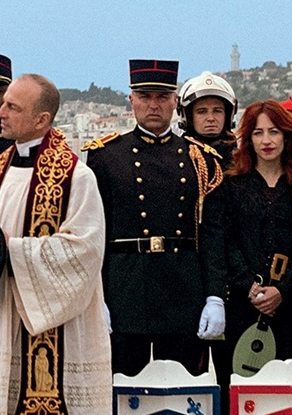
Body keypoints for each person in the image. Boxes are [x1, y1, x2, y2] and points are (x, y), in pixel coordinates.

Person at [0, 74, 112, 413]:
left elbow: (85, 250)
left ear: (42, 120)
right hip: (1, 308)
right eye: (4, 103)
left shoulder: (76, 177)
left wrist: (13, 250)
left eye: (12, 107)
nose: (0, 112)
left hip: (54, 322)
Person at [81, 59, 227, 377]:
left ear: (175, 101)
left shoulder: (199, 158)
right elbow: (94, 233)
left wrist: (215, 296)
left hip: (182, 289)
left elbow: (212, 233)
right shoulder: (106, 157)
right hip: (125, 289)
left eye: (162, 98)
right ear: (131, 100)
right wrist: (97, 296)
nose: (153, 106)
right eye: (145, 97)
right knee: (121, 390)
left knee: (182, 393)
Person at [222, 100, 292, 369]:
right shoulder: (231, 185)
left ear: (286, 135)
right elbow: (226, 241)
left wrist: (282, 291)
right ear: (248, 139)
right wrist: (249, 286)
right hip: (241, 303)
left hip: (289, 306)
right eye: (258, 133)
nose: (266, 140)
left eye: (274, 131)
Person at [178, 71, 238, 159]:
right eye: (202, 112)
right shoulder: (175, 158)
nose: (210, 118)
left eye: (217, 111)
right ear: (189, 117)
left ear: (228, 115)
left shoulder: (245, 161)